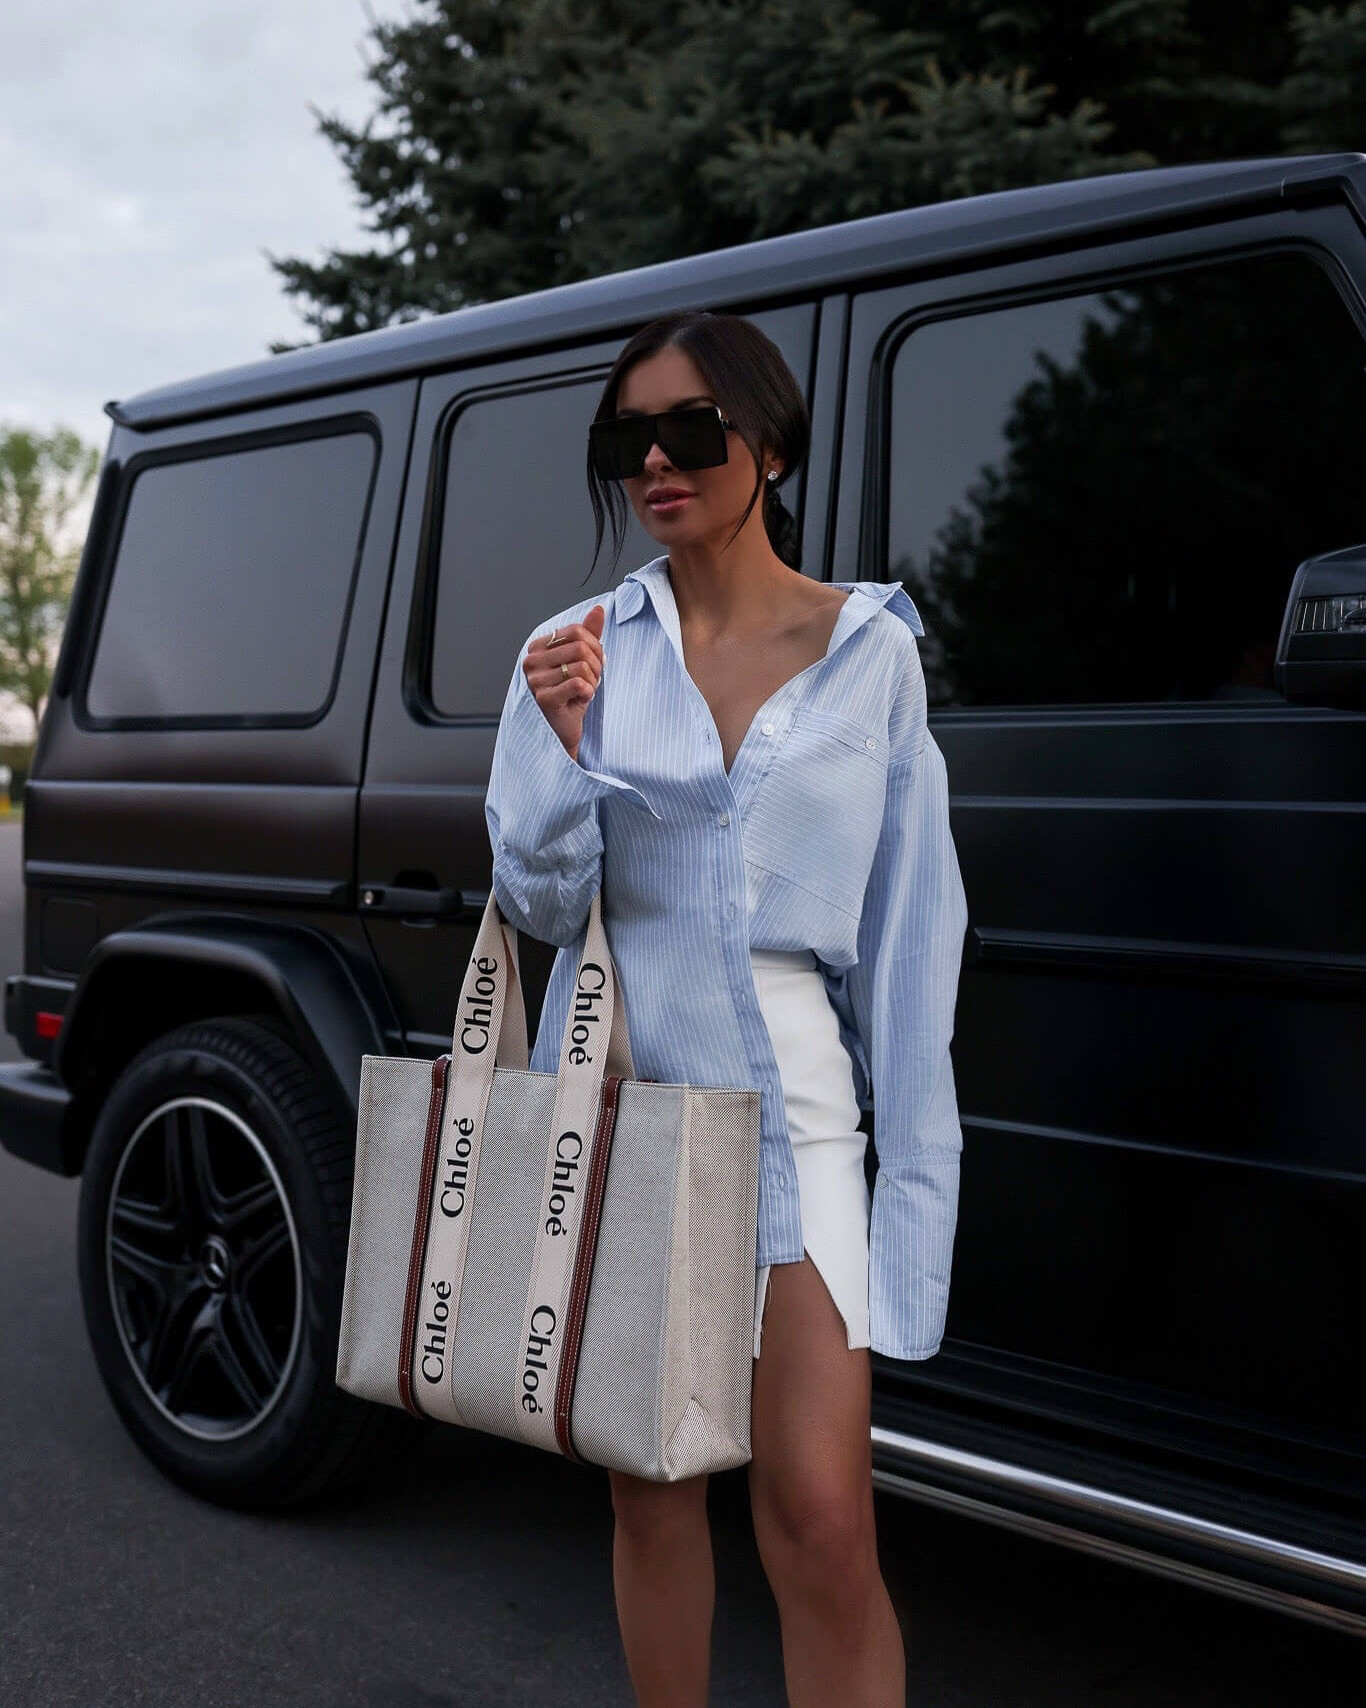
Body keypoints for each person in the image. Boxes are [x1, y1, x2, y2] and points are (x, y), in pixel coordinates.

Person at [484, 310, 969, 1708]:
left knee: (821, 1518)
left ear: (766, 443)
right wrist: (571, 749)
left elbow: (908, 935)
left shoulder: (867, 652)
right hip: (632, 1103)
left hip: (797, 1113)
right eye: (624, 436)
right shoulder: (574, 651)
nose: (653, 460)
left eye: (688, 429)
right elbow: (532, 903)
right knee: (650, 1496)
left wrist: (914, 1184)